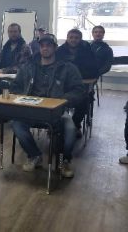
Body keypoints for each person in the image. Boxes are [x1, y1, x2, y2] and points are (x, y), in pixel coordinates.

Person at [10, 34, 84, 178]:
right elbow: (15, 86)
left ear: (55, 48)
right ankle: (34, 155)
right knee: (17, 124)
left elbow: (79, 90)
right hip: (32, 110)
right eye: (42, 45)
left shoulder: (67, 68)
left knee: (70, 130)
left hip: (57, 110)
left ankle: (64, 161)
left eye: (48, 45)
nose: (45, 48)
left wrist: (62, 100)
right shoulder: (28, 67)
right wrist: (22, 97)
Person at [56, 29, 98, 131]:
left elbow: (93, 69)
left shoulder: (87, 51)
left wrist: (77, 75)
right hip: (62, 84)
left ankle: (75, 125)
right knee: (54, 98)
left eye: (76, 38)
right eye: (71, 37)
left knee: (85, 100)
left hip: (81, 84)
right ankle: (57, 124)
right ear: (67, 38)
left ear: (80, 39)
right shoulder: (59, 51)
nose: (73, 40)